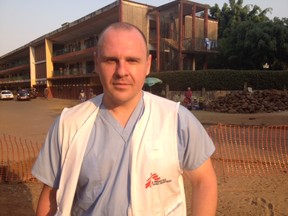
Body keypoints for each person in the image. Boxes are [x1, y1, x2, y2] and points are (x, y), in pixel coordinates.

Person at [32, 22, 217, 215]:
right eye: (111, 60)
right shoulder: (68, 125)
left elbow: (203, 180)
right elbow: (52, 194)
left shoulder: (177, 120)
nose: (121, 71)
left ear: (147, 65)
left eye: (132, 60)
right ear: (96, 63)